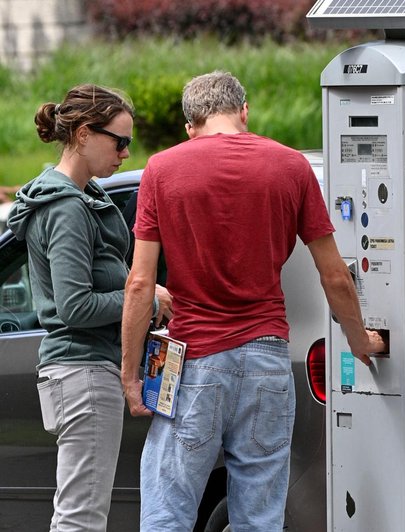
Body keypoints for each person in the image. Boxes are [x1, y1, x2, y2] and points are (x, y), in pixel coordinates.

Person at [121, 71, 385, 531]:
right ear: (244, 112)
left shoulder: (162, 169)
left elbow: (140, 284)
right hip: (266, 358)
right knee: (260, 513)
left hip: (193, 360)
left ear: (190, 125)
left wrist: (129, 373)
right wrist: (360, 339)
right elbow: (334, 274)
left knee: (169, 505)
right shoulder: (290, 166)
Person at [6, 84, 172, 531]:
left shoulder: (82, 198)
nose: (125, 152)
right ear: (82, 134)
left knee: (80, 510)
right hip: (82, 372)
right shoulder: (66, 209)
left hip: (82, 373)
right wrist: (145, 297)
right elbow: (75, 306)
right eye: (119, 141)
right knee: (81, 517)